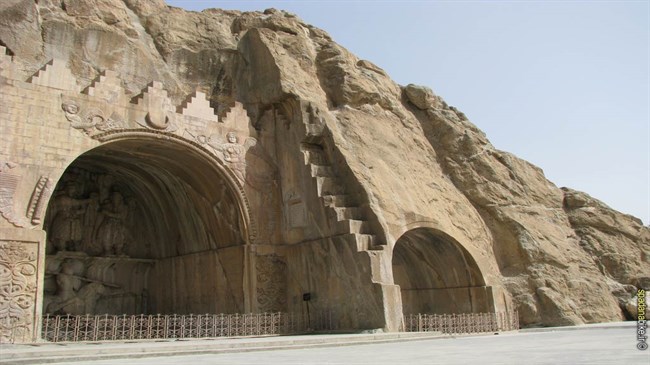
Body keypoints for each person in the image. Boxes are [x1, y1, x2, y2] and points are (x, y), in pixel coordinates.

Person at [96, 192, 129, 256]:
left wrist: (108, 213)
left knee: (119, 238)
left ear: (120, 199)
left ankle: (118, 250)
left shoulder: (124, 207)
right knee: (107, 236)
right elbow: (100, 211)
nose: (115, 200)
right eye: (113, 198)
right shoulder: (108, 206)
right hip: (109, 225)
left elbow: (121, 216)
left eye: (116, 198)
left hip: (118, 226)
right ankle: (107, 250)